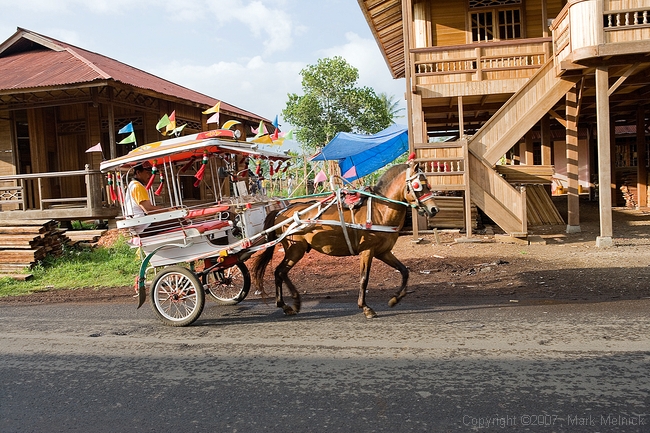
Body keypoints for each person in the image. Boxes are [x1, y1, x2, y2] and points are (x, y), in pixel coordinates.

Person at [124, 163, 163, 234]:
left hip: (140, 225)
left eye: (151, 173)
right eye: (147, 173)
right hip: (144, 227)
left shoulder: (133, 185)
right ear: (138, 172)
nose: (150, 175)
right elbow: (148, 209)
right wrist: (168, 210)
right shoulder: (137, 186)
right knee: (179, 220)